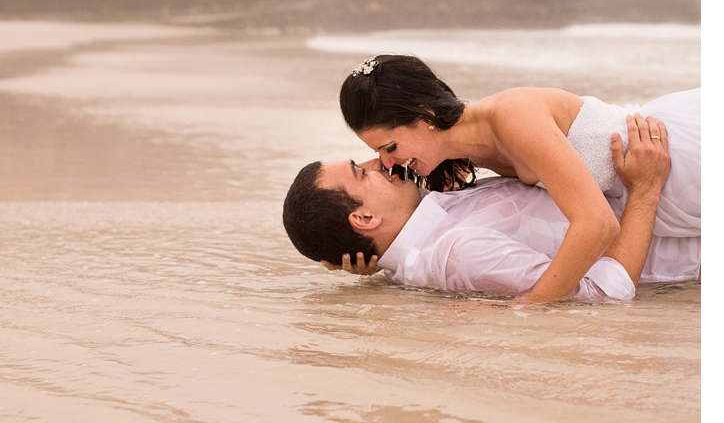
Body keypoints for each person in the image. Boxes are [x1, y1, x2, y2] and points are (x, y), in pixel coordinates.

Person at [332, 54, 700, 301]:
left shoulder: (512, 117)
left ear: (425, 115)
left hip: (680, 160)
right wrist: (362, 253)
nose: (385, 163)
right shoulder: (466, 151)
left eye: (389, 146)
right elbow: (412, 222)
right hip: (664, 194)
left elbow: (597, 224)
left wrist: (528, 308)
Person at [282, 113, 699, 302]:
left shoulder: (427, 225)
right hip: (686, 238)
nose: (378, 162)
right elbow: (603, 293)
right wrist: (646, 189)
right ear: (364, 218)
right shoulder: (455, 251)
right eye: (361, 171)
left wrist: (378, 263)